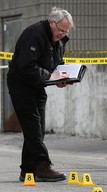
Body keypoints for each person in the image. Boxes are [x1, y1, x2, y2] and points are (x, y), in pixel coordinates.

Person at [7, 7, 74, 182]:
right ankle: (43, 166)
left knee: (37, 129)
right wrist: (51, 76)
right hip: (21, 84)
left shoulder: (59, 39)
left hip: (37, 85)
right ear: (52, 22)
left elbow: (57, 63)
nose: (63, 34)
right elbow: (26, 66)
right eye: (61, 30)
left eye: (66, 32)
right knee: (33, 129)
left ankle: (28, 171)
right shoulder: (34, 33)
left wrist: (60, 78)